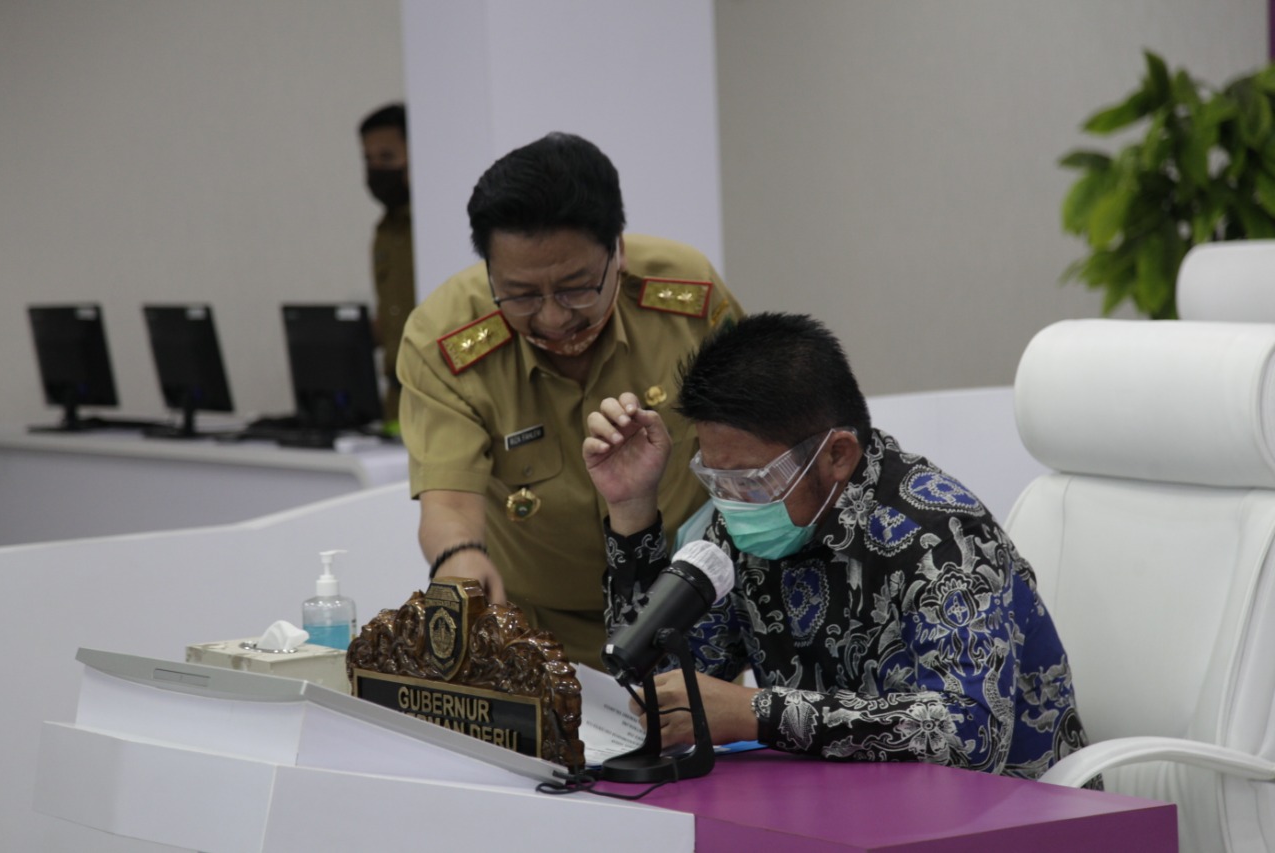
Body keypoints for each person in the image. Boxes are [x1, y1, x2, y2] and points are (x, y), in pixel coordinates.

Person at [583, 312, 1089, 778]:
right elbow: (664, 688)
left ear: (838, 455)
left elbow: (969, 733)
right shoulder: (743, 527)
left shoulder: (944, 537)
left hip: (1008, 817)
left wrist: (759, 712)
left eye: (750, 480)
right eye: (716, 479)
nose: (731, 501)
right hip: (839, 806)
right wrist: (631, 509)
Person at [396, 132, 742, 669]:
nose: (554, 318)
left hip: (684, 611)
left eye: (577, 288)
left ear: (618, 251)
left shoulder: (686, 294)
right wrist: (459, 559)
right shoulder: (441, 338)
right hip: (537, 631)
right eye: (521, 295)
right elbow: (449, 502)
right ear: (489, 271)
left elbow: (751, 443)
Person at [359, 102, 415, 430]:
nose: (376, 168)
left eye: (387, 157)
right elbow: (392, 315)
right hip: (394, 399)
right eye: (368, 159)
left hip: (435, 395)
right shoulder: (384, 232)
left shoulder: (436, 226)